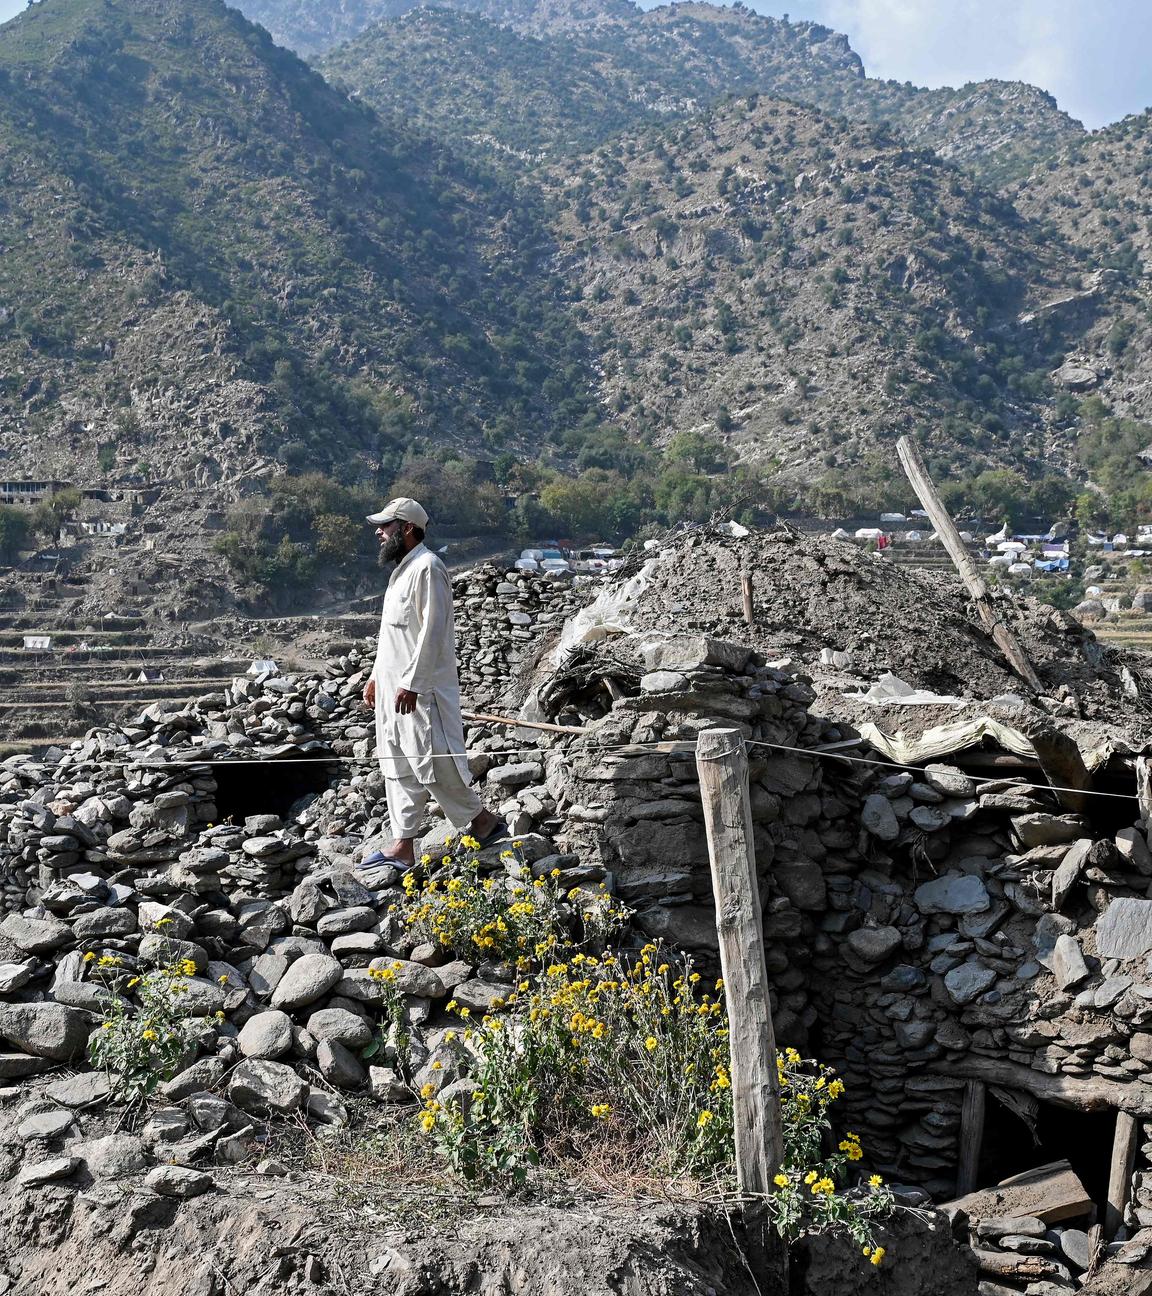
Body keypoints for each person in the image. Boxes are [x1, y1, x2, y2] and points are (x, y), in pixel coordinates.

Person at [358, 497, 506, 879]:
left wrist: (412, 683)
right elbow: (391, 638)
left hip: (419, 694)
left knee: (433, 762)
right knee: (397, 766)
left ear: (407, 528)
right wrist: (376, 677)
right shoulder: (400, 573)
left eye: (386, 525)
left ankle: (483, 821)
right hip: (393, 692)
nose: (379, 532)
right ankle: (403, 845)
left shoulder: (428, 567)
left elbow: (433, 631)